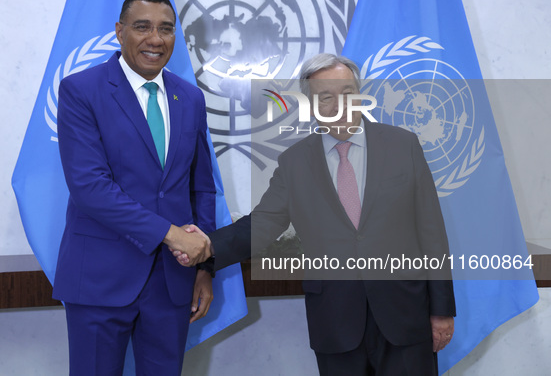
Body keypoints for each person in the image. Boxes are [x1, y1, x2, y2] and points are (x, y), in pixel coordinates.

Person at [176, 54, 456, 375]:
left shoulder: (403, 145)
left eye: (348, 93)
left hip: (405, 317)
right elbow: (262, 225)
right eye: (326, 97)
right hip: (336, 322)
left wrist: (441, 310)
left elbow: (432, 231)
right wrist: (207, 248)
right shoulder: (295, 163)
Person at [52, 0, 214, 375]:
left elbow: (202, 187)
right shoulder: (81, 91)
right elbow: (90, 187)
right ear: (119, 31)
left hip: (172, 283)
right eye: (142, 27)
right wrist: (173, 235)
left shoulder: (189, 98)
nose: (155, 39)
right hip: (99, 279)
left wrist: (205, 267)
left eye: (166, 29)